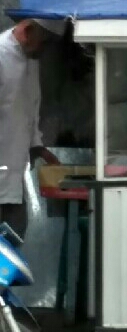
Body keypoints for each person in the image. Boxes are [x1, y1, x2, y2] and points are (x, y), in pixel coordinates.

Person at [0, 18, 64, 239]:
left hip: (15, 172)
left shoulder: (31, 60)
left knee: (16, 235)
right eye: (43, 42)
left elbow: (30, 111)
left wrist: (39, 148)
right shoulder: (1, 54)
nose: (44, 50)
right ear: (27, 32)